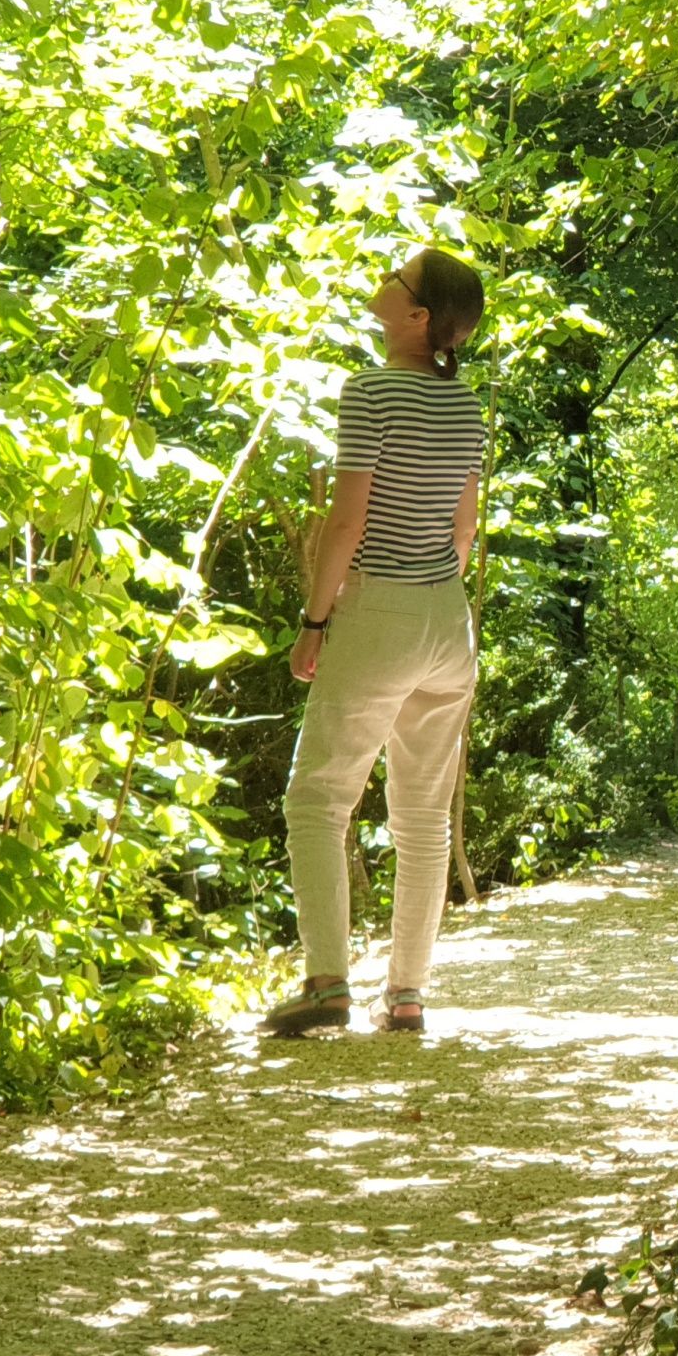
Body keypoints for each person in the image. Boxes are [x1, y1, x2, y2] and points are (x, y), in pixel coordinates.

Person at [263, 247, 487, 1036]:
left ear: (418, 318)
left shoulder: (370, 392)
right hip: (445, 618)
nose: (383, 280)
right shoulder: (467, 410)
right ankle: (408, 995)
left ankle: (328, 982)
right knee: (423, 816)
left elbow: (347, 523)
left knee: (317, 799)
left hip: (380, 609)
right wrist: (433, 597)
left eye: (398, 278)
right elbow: (462, 529)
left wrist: (316, 621)